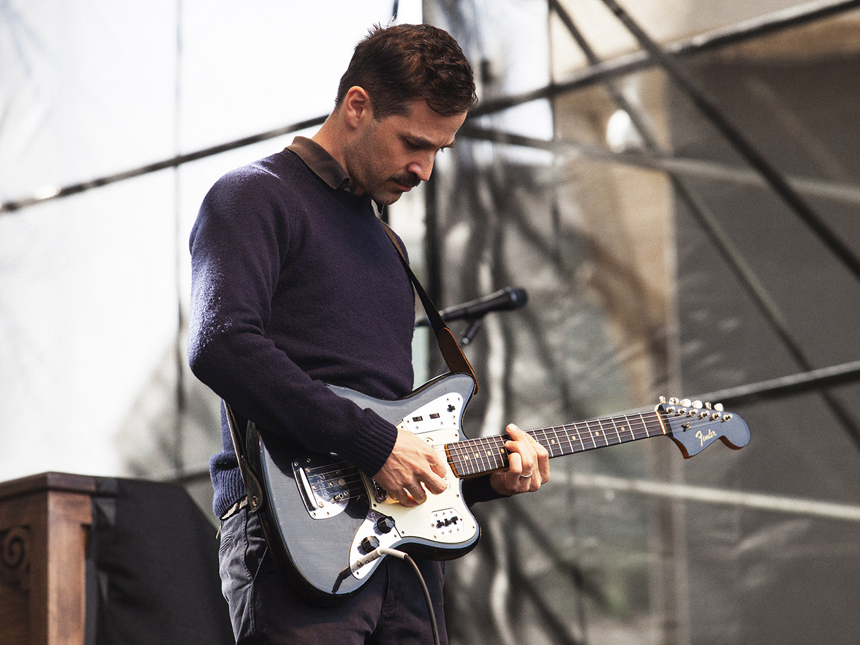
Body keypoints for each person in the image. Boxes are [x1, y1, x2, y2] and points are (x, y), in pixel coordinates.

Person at [188, 23, 550, 645]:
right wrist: (376, 444)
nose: (425, 169)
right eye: (414, 142)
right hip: (289, 538)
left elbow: (398, 430)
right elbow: (222, 344)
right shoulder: (255, 196)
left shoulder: (387, 243)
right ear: (357, 106)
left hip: (403, 560)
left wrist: (490, 477)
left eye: (440, 149)